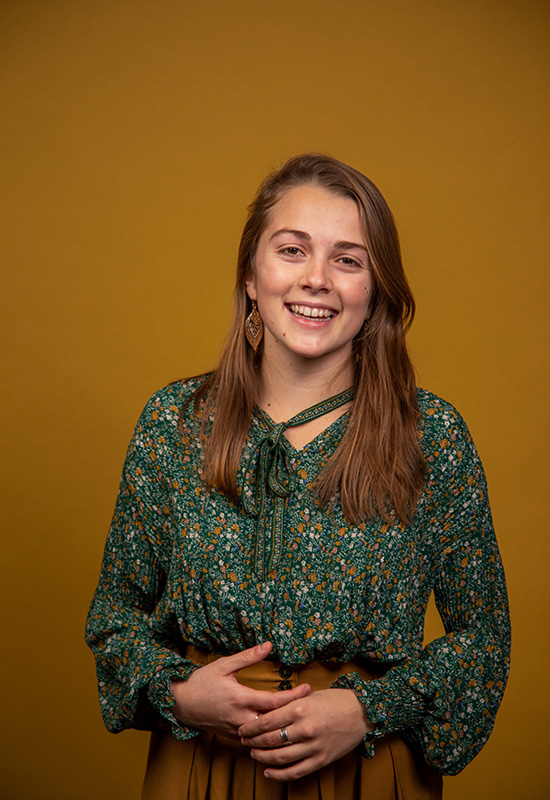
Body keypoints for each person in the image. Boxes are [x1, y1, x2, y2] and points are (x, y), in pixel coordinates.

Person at [86, 154, 510, 799]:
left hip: (368, 767)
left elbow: (484, 640)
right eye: (292, 250)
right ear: (252, 277)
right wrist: (183, 695)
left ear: (375, 291)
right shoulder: (174, 423)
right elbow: (115, 620)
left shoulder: (431, 435)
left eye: (348, 259)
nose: (317, 279)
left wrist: (369, 710)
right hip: (205, 766)